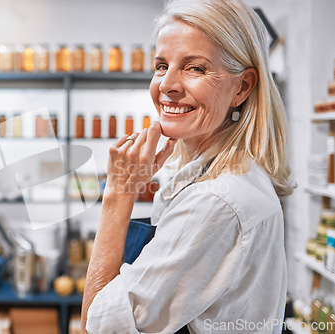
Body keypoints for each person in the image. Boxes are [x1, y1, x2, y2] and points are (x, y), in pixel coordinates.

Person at [81, 0, 293, 333]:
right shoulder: (217, 178)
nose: (167, 85)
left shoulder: (216, 202)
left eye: (195, 68)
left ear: (242, 86)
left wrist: (118, 194)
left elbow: (98, 327)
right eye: (162, 65)